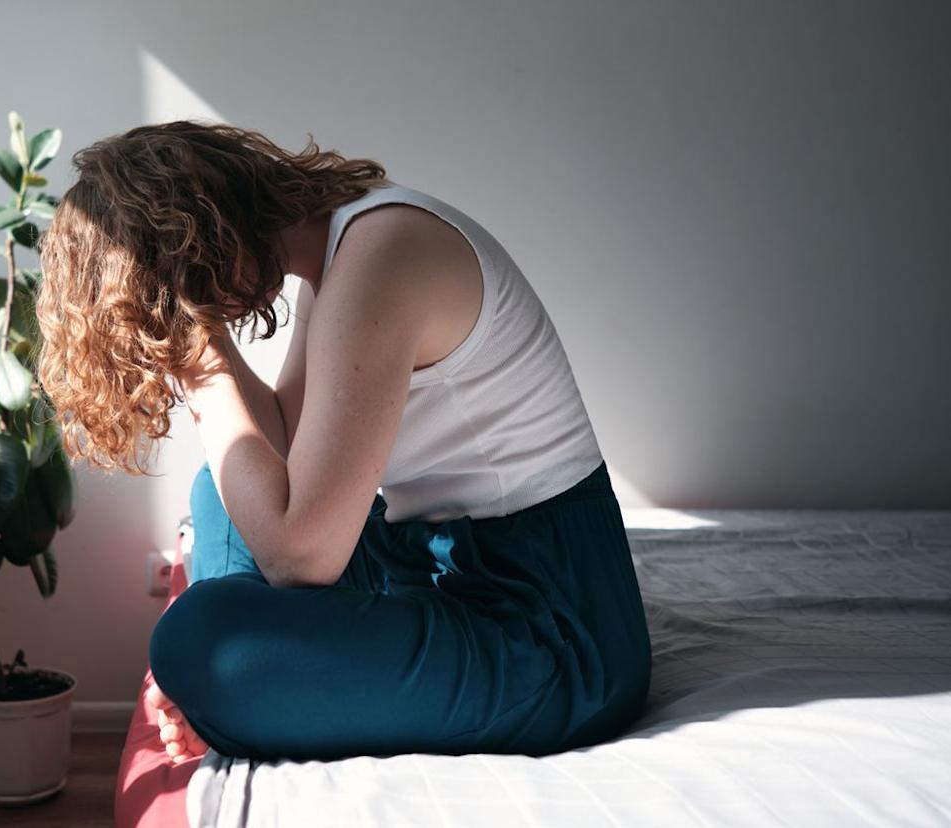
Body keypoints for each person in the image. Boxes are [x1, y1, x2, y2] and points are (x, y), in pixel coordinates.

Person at [35, 120, 652, 765]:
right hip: (443, 566)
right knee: (218, 495)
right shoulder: (345, 245)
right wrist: (202, 347)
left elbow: (302, 558)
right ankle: (247, 685)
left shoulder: (381, 257)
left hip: (554, 635)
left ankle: (240, 683)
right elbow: (280, 440)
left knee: (195, 639)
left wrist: (199, 359)